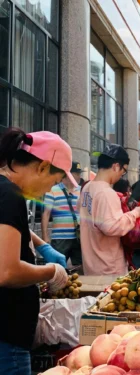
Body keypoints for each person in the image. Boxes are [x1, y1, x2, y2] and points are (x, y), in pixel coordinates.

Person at [0, 129, 71, 375]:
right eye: (53, 182)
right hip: (7, 335)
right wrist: (50, 271)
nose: (47, 191)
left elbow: (6, 225)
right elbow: (7, 271)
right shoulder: (10, 195)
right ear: (42, 167)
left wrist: (41, 244)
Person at [78, 144, 140, 276]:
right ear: (116, 166)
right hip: (108, 268)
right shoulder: (106, 193)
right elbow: (112, 227)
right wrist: (136, 213)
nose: (122, 175)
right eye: (124, 171)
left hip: (91, 265)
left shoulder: (86, 188)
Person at [42, 162, 83, 267]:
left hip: (78, 238)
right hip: (60, 238)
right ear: (69, 174)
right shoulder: (53, 190)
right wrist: (45, 236)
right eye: (77, 173)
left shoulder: (81, 190)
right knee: (57, 267)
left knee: (80, 267)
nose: (79, 176)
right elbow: (46, 214)